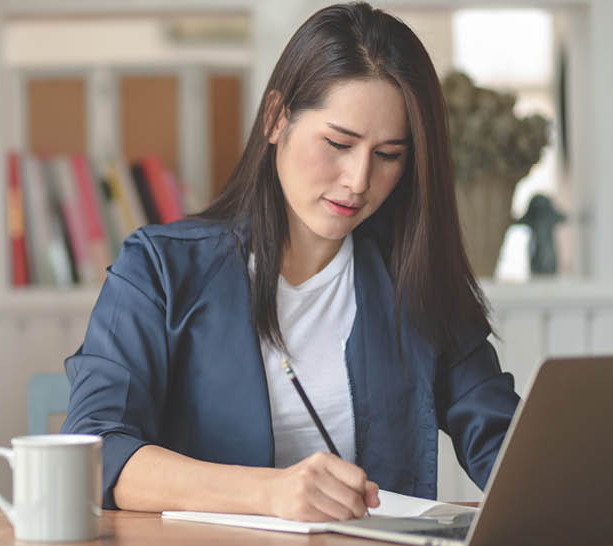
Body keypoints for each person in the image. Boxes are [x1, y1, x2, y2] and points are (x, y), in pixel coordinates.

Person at [60, 1, 520, 523]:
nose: (359, 179)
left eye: (389, 154)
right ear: (276, 117)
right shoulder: (160, 271)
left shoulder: (413, 281)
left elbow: (505, 445)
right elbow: (93, 451)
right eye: (338, 143)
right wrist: (267, 493)